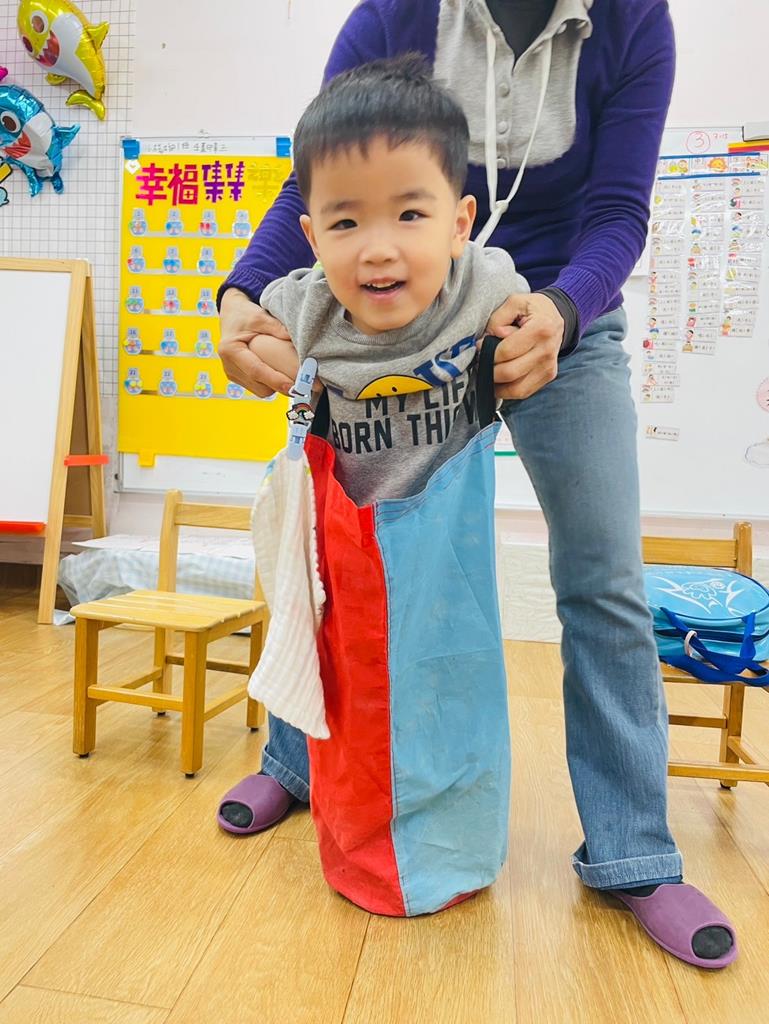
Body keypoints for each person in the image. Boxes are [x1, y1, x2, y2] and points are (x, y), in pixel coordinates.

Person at [216, 0, 738, 966]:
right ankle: (297, 763)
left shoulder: (630, 21)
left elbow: (617, 212)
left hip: (555, 315)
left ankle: (633, 852)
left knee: (603, 579)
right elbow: (317, 180)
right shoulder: (394, 14)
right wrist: (240, 297)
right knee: (331, 552)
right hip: (389, 321)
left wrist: (562, 311)